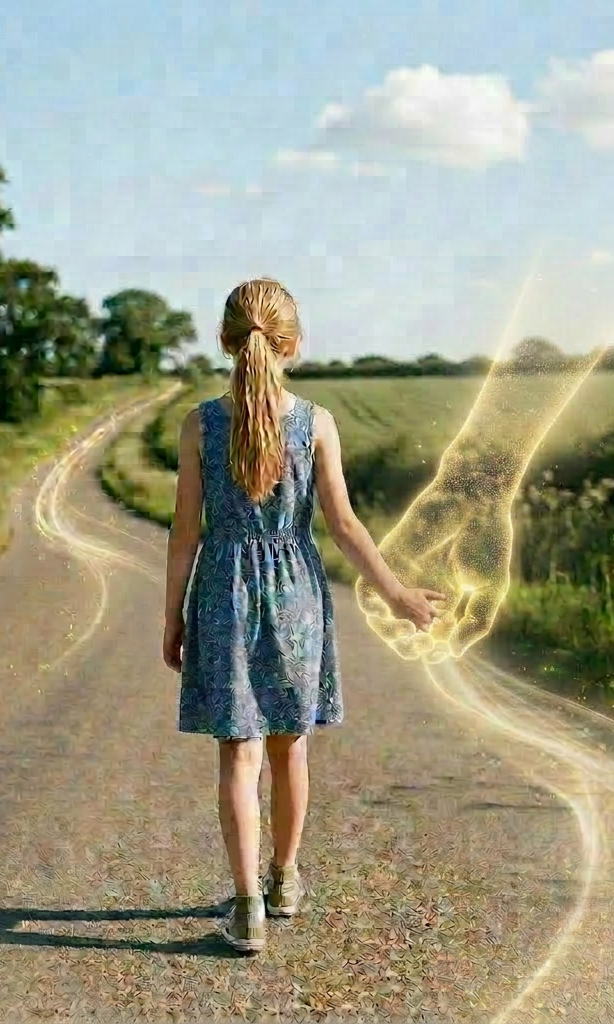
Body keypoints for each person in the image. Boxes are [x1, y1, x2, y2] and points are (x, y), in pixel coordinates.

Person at [162, 278, 444, 954]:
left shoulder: (200, 423)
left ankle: (248, 907)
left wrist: (171, 616)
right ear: (292, 342)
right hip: (295, 591)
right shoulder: (315, 421)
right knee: (291, 743)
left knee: (239, 750)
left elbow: (184, 532)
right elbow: (343, 525)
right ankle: (284, 877)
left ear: (228, 341)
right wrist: (397, 593)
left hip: (224, 589)